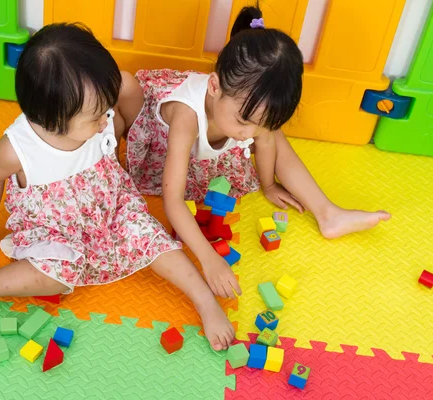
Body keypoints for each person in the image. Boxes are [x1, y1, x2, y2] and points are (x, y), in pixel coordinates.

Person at [0, 23, 235, 351]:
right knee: (52, 275)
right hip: (55, 226)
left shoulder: (95, 114)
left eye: (106, 110)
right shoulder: (17, 149)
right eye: (96, 117)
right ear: (51, 120)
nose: (105, 121)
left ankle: (204, 299)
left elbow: (113, 120)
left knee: (153, 239)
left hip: (109, 204)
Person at [125, 5, 391, 299]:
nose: (249, 135)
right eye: (243, 122)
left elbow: (264, 140)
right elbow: (173, 201)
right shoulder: (187, 119)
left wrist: (269, 184)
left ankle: (328, 213)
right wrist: (209, 259)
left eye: (259, 125)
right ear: (214, 86)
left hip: (220, 120)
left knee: (274, 136)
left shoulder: (246, 116)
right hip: (165, 145)